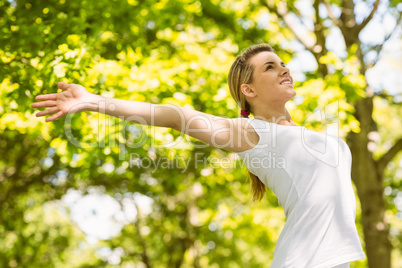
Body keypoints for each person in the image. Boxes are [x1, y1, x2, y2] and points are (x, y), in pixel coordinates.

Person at [31, 43, 366, 267]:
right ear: (248, 90)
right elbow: (175, 115)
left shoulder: (305, 136)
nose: (284, 69)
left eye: (282, 64)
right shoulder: (255, 134)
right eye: (270, 67)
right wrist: (93, 100)